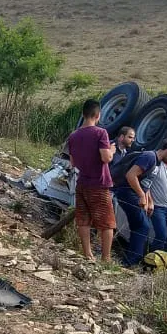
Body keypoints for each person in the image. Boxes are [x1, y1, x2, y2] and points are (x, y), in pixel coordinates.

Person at [112, 139, 167, 266]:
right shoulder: (149, 157)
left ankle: (132, 259)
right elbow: (131, 175)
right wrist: (141, 195)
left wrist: (149, 200)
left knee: (138, 226)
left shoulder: (156, 162)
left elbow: (145, 184)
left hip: (134, 194)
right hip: (127, 192)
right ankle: (132, 261)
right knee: (142, 226)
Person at [66, 99, 115, 261]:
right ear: (98, 115)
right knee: (107, 222)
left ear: (83, 114)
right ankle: (106, 258)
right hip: (99, 183)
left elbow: (73, 162)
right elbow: (106, 158)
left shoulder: (73, 136)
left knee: (83, 220)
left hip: (82, 183)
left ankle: (87, 253)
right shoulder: (101, 133)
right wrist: (112, 151)